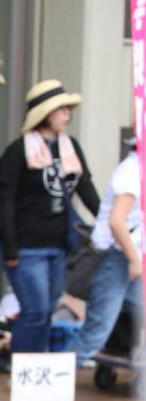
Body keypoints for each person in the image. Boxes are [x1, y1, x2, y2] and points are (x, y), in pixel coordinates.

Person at [0, 79, 100, 352]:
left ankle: (35, 372)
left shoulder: (70, 147)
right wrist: (10, 247)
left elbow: (86, 190)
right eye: (61, 109)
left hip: (60, 246)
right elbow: (6, 200)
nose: (67, 114)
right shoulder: (17, 151)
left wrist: (108, 222)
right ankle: (22, 369)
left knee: (47, 311)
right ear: (44, 112)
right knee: (35, 310)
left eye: (68, 109)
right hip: (27, 246)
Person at [69, 142, 143, 367]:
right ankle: (46, 390)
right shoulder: (132, 170)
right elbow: (116, 222)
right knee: (94, 334)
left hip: (129, 260)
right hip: (118, 260)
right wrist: (134, 260)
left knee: (96, 332)